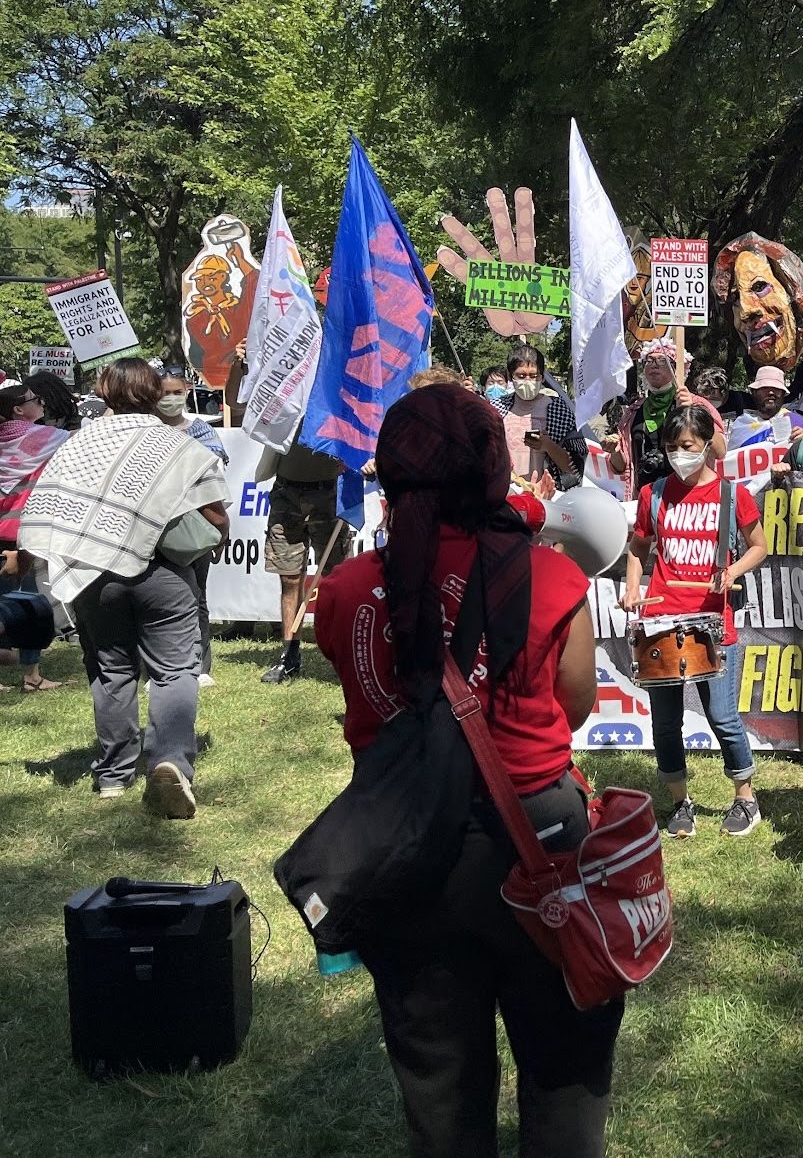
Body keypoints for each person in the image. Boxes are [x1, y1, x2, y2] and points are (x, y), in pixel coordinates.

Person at [312, 383, 623, 1157]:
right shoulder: (554, 578)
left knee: (438, 1089)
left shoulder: (346, 588)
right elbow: (576, 703)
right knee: (565, 1069)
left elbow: (360, 683)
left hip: (403, 850)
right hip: (539, 838)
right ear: (491, 466)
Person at [19, 358, 229, 816]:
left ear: (104, 392)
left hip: (95, 575)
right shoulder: (174, 444)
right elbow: (215, 512)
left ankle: (113, 775)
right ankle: (171, 762)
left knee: (112, 670)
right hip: (164, 574)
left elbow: (51, 505)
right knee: (175, 670)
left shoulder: (79, 444)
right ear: (156, 391)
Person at [620, 403, 769, 838]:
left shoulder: (731, 494)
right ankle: (679, 802)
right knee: (666, 722)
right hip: (663, 619)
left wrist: (733, 571)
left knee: (722, 716)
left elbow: (758, 545)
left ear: (707, 446)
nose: (679, 454)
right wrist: (633, 586)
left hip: (712, 619)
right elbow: (638, 547)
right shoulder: (654, 493)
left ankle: (745, 798)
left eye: (687, 446)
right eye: (671, 447)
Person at [0, 383, 69, 692]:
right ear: (19, 409)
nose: (41, 403)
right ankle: (31, 675)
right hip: (32, 528)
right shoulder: (44, 438)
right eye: (36, 399)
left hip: (2, 529)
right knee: (32, 602)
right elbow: (75, 440)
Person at [260, 438, 355, 683]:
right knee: (289, 578)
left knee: (339, 578)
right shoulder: (286, 400)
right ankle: (289, 655)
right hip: (286, 492)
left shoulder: (336, 401)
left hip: (329, 492)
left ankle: (346, 654)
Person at [158, 374, 228, 685]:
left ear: (186, 393)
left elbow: (215, 471)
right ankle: (159, 666)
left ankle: (200, 666)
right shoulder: (147, 431)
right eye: (165, 393)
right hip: (153, 525)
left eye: (177, 392)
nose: (171, 398)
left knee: (196, 595)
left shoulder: (202, 430)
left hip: (193, 526)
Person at [610, 337, 727, 496]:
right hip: (645, 498)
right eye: (649, 361)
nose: (654, 365)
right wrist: (614, 452)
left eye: (663, 360)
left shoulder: (698, 405)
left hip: (689, 498)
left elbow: (719, 451)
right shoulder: (633, 412)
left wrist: (692, 414)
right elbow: (620, 468)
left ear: (677, 369)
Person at [496, 344, 586, 489]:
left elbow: (575, 469)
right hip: (505, 493)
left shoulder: (559, 410)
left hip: (546, 496)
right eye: (521, 375)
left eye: (533, 376)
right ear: (510, 376)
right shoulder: (497, 408)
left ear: (542, 376)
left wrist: (548, 446)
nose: (527, 381)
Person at [727, 365, 803, 444]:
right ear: (754, 393)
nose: (771, 392)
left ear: (783, 394)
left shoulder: (795, 421)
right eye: (765, 388)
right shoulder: (742, 424)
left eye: (776, 388)